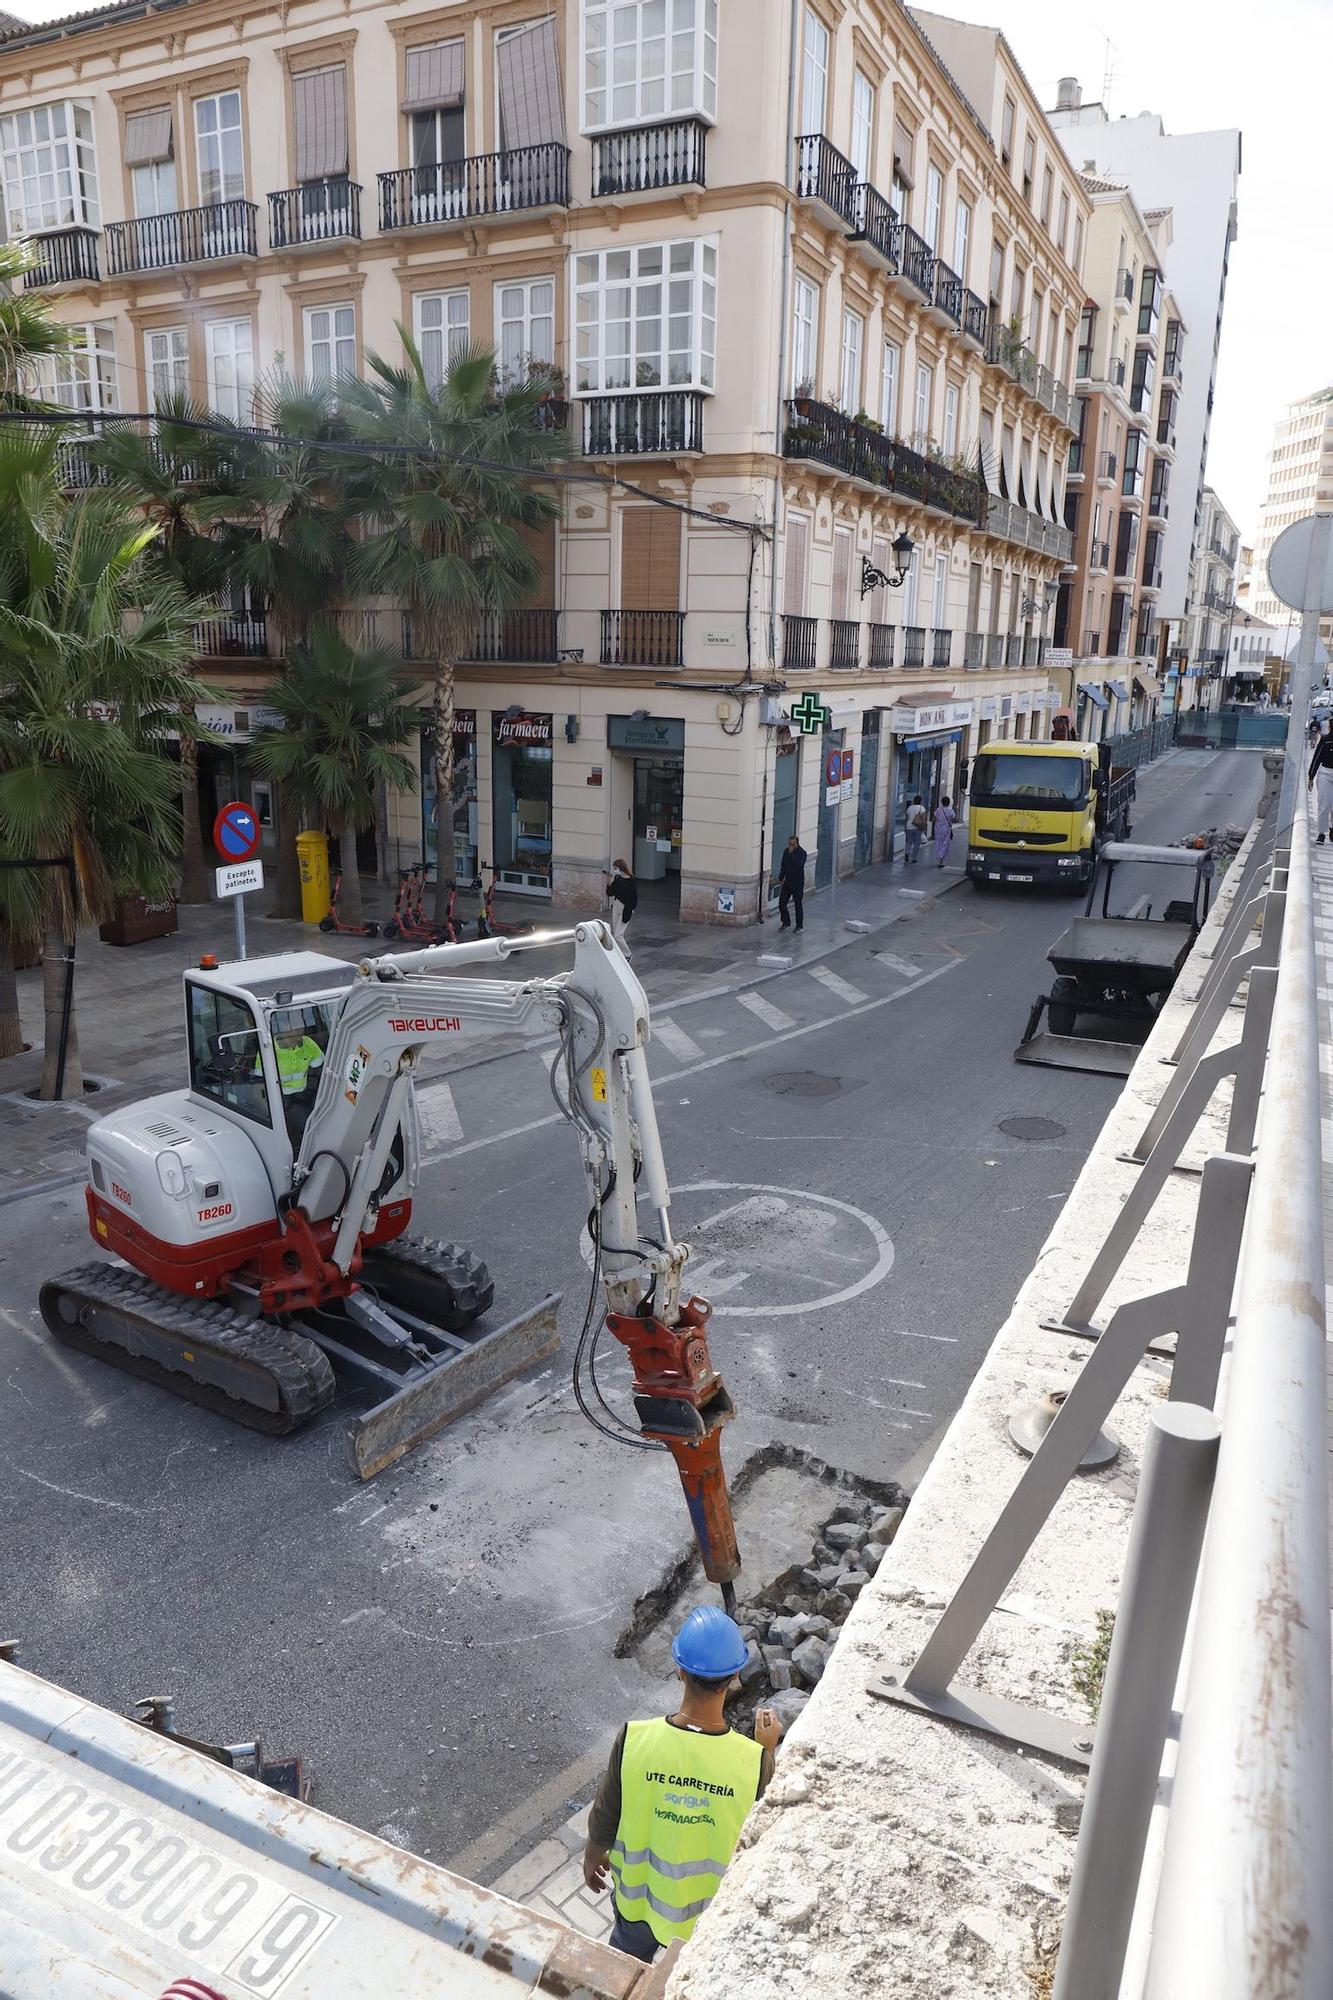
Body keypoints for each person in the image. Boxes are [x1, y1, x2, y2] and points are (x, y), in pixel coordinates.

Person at [582, 1606, 782, 1965]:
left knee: (623, 1968)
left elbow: (606, 1813)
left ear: (680, 1671)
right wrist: (766, 1748)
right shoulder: (750, 1761)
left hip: (637, 1903)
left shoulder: (634, 1739)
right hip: (698, 1918)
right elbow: (762, 1818)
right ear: (734, 1676)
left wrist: (593, 1854)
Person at [606, 859, 637, 953]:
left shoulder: (630, 880)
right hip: (616, 905)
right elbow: (610, 893)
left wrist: (629, 910)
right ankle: (619, 954)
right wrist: (610, 883)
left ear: (621, 868)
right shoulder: (617, 878)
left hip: (625, 908)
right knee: (615, 932)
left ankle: (627, 954)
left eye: (616, 868)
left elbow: (634, 898)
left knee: (618, 935)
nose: (614, 870)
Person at [1308, 722, 1333, 843]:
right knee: (1325, 804)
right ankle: (1321, 833)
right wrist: (1311, 776)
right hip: (1325, 774)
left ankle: (1332, 828)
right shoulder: (1325, 740)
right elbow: (1317, 758)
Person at [777, 834, 807, 930]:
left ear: (797, 844)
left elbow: (800, 865)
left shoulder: (802, 853)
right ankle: (785, 922)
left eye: (793, 845)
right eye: (789, 844)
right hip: (788, 883)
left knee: (798, 904)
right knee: (782, 903)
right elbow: (784, 865)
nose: (791, 847)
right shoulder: (786, 852)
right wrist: (781, 877)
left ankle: (799, 925)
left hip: (798, 883)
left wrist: (792, 855)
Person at [933, 793, 957, 868]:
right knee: (945, 844)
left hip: (938, 828)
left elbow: (934, 819)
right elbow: (953, 819)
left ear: (942, 802)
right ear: (949, 802)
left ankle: (939, 857)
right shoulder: (951, 811)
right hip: (946, 829)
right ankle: (941, 859)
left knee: (938, 842)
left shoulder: (938, 810)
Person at [904, 794, 928, 864]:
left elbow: (907, 818)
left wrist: (905, 827)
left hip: (909, 826)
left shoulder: (909, 808)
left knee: (909, 842)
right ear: (921, 801)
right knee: (917, 843)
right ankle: (914, 858)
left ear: (914, 800)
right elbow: (923, 820)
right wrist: (923, 827)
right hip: (917, 827)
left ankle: (907, 852)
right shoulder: (922, 808)